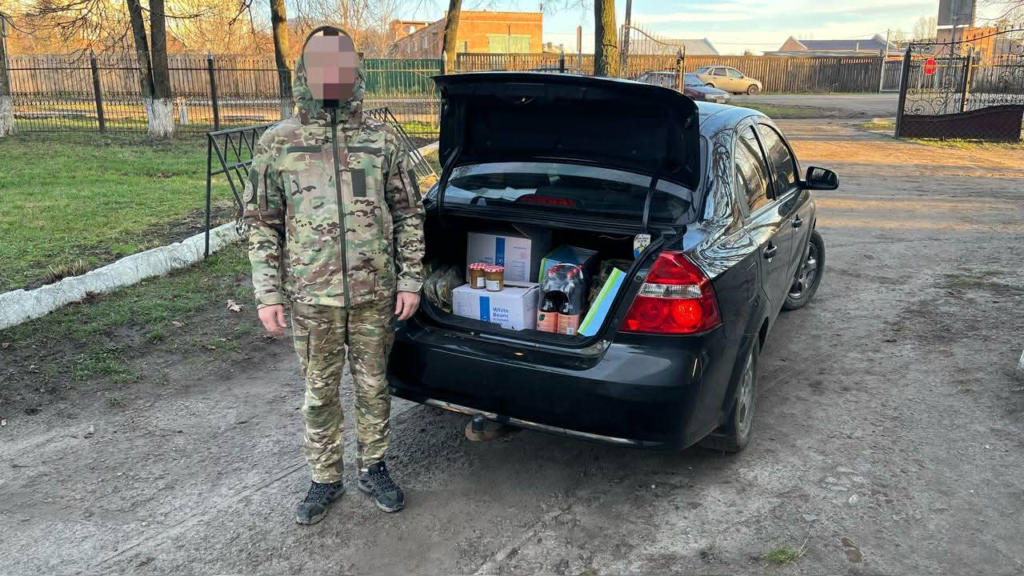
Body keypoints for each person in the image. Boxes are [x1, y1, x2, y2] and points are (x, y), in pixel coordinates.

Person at [242, 26, 425, 525]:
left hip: (374, 294)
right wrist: (267, 293)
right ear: (303, 72)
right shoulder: (277, 143)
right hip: (310, 297)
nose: (331, 73)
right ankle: (324, 477)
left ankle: (374, 466)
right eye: (320, 63)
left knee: (373, 387)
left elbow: (409, 213)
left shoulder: (382, 139)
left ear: (354, 71)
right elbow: (261, 223)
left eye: (340, 62)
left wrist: (410, 279)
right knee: (319, 392)